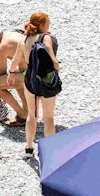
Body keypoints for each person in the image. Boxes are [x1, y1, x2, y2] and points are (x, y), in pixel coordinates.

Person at [19, 10, 61, 155]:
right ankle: (49, 150)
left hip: (30, 79)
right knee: (48, 117)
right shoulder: (45, 38)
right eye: (48, 24)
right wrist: (56, 70)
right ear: (42, 25)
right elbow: (54, 60)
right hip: (45, 79)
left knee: (32, 115)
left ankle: (29, 147)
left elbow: (23, 61)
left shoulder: (25, 39)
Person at [0, 26, 26, 125]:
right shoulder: (13, 33)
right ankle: (27, 111)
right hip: (43, 70)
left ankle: (22, 115)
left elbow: (2, 74)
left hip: (33, 74)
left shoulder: (2, 48)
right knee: (15, 74)